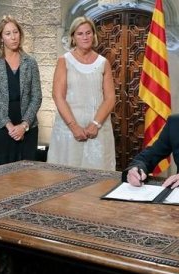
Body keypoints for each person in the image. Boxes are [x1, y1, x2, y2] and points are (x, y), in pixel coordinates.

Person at [47, 16, 116, 170]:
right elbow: (58, 96)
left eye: (88, 33)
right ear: (73, 37)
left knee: (97, 179)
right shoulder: (64, 60)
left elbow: (110, 98)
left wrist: (95, 124)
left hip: (98, 130)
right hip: (68, 131)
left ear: (94, 35)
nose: (85, 37)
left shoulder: (103, 62)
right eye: (80, 34)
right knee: (66, 176)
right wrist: (74, 127)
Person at [0, 15, 42, 168]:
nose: (13, 37)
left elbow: (37, 96)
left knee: (25, 177)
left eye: (15, 32)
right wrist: (9, 126)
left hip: (27, 131)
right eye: (8, 34)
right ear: (1, 38)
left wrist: (24, 126)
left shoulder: (30, 62)